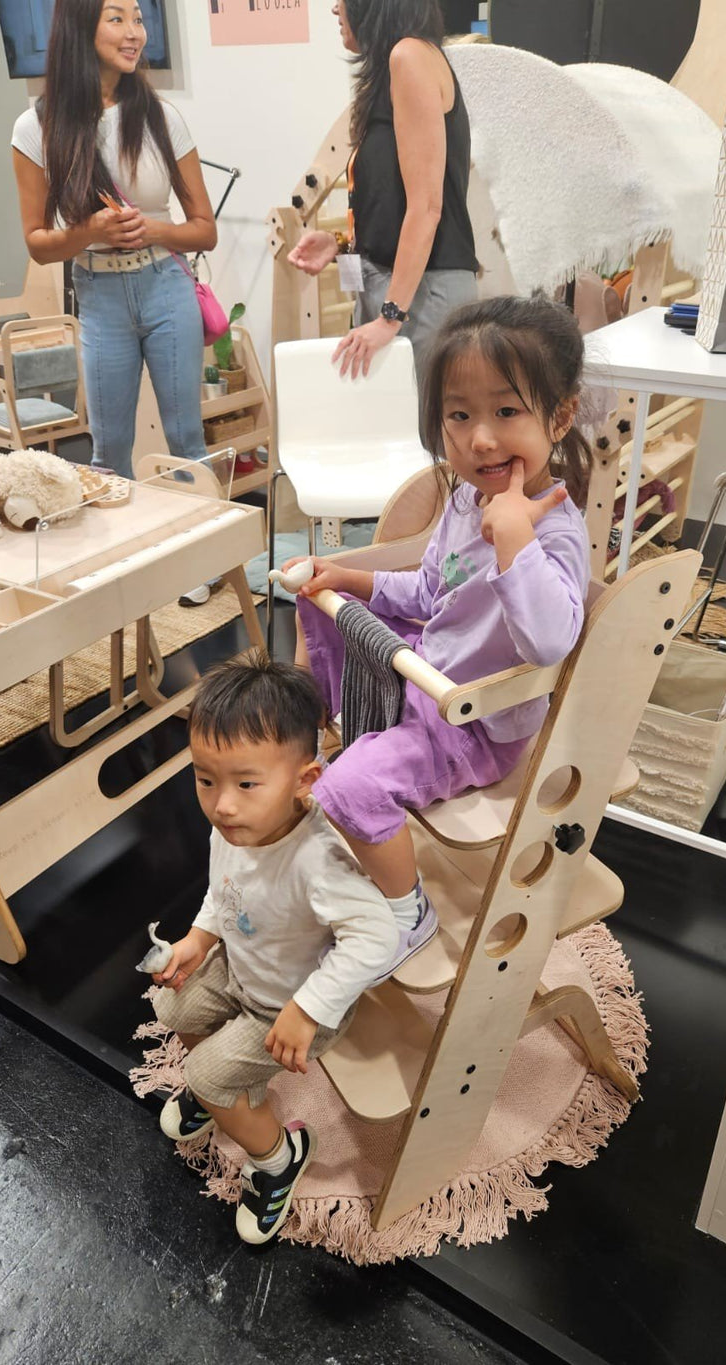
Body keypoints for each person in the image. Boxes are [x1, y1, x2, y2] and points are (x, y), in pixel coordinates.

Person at [288, 294, 593, 967]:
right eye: (460, 415)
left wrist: (516, 540)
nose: (481, 437)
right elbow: (431, 592)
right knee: (318, 596)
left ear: (560, 416)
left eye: (507, 411)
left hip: (478, 724)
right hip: (431, 667)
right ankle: (345, 719)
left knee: (347, 789)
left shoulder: (557, 529)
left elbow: (551, 643)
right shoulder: (463, 497)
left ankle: (409, 914)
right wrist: (349, 575)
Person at [150, 655, 398, 1246]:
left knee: (208, 1074)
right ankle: (226, 1097)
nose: (222, 804)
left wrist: (309, 1009)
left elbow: (378, 936)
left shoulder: (318, 860)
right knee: (176, 1010)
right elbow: (223, 891)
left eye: (245, 783)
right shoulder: (234, 827)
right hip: (240, 968)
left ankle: (281, 1158)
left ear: (304, 781)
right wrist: (199, 938)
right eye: (205, 779)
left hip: (293, 1009)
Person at [11, 0, 217, 481]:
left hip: (167, 284)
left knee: (189, 443)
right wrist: (91, 232)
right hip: (99, 294)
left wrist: (154, 229)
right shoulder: (35, 127)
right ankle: (126, 555)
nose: (135, 33)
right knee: (108, 453)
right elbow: (38, 243)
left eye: (139, 19)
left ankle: (215, 557)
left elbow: (204, 228)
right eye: (117, 18)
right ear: (82, 28)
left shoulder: (161, 116)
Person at [287, 0, 478, 377]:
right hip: (405, 292)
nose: (335, 9)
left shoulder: (409, 57)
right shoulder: (401, 63)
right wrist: (342, 243)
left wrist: (390, 316)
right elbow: (396, 197)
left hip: (422, 296)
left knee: (419, 433)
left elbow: (427, 207)